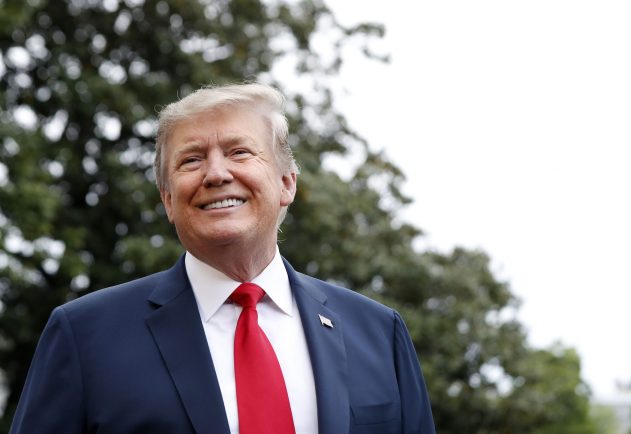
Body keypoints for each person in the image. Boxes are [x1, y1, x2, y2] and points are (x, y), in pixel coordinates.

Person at [10, 82, 436, 434]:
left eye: (239, 152)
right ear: (168, 200)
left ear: (287, 183)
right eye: (192, 159)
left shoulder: (378, 332)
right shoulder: (85, 336)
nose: (216, 174)